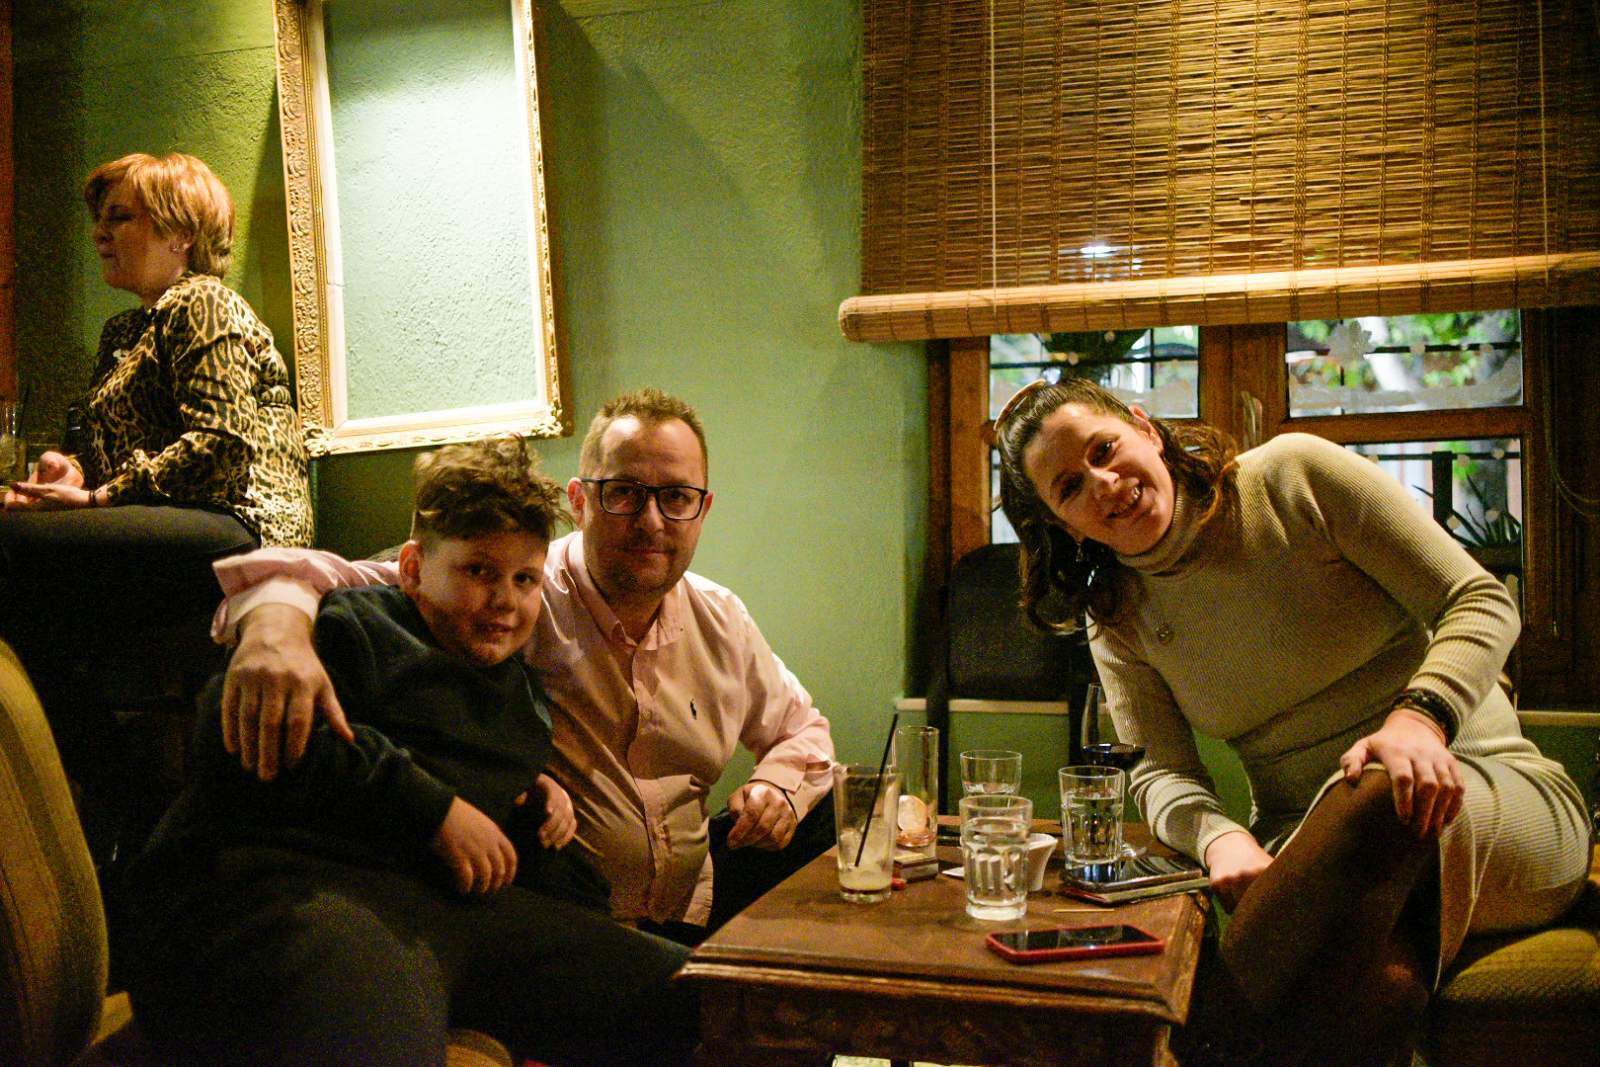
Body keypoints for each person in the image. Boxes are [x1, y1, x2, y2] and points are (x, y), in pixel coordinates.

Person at [993, 376, 1591, 1066]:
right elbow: (1157, 771)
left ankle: (1187, 1052)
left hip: (1491, 798)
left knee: (1378, 785)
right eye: (1070, 487)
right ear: (1064, 523)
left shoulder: (1291, 477)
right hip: (1307, 846)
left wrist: (1420, 717)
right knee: (1377, 991)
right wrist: (1218, 839)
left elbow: (1479, 599)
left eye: (1104, 449)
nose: (1102, 483)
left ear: (1145, 428)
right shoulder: (1118, 612)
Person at [122, 437, 695, 1067]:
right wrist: (431, 809)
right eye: (479, 571)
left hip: (446, 912)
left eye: (525, 579)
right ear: (416, 568)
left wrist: (538, 820)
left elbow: (489, 816)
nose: (505, 599)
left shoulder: (521, 694)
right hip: (290, 892)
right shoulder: (352, 625)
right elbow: (238, 730)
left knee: (701, 995)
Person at [209, 388, 835, 939]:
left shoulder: (721, 618)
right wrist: (277, 627)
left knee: (843, 811)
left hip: (694, 899)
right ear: (580, 501)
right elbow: (346, 577)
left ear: (702, 508)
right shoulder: (517, 589)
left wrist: (776, 789)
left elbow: (803, 730)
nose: (651, 521)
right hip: (558, 905)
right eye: (624, 493)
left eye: (675, 497)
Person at [0, 152, 313, 854]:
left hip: (240, 522)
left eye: (120, 217)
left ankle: (134, 804)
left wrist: (99, 496)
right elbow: (109, 455)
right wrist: (71, 471)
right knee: (25, 620)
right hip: (168, 523)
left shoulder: (203, 303)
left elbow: (222, 444)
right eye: (99, 219)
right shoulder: (123, 332)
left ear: (180, 232)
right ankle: (131, 807)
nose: (99, 233)